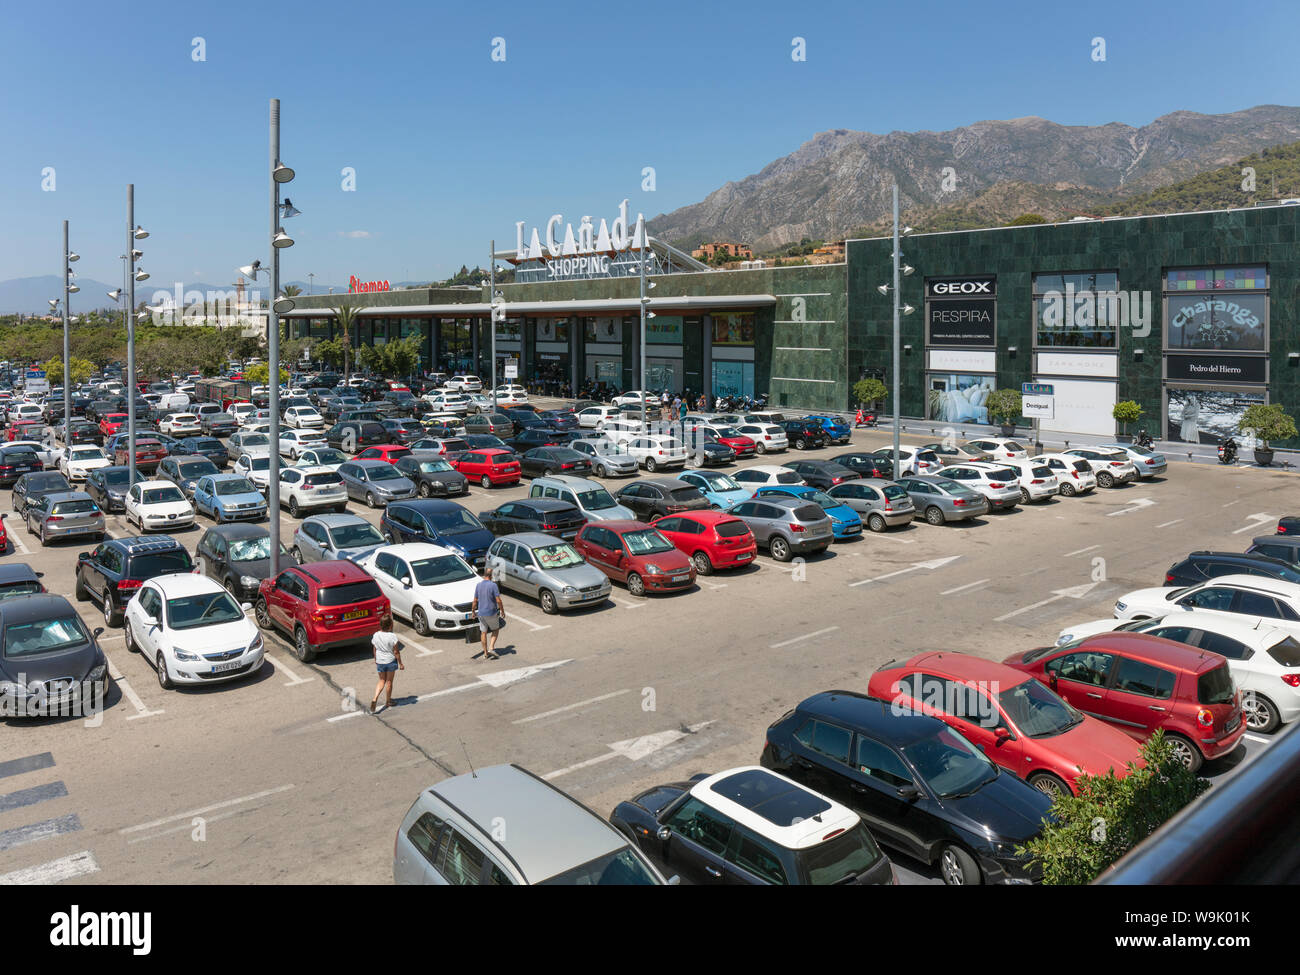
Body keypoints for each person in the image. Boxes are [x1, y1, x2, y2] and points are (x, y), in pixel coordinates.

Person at [369, 616, 404, 713]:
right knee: (389, 682)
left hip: (380, 661)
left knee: (381, 681)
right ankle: (388, 701)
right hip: (390, 661)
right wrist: (400, 663)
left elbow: (374, 648)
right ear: (390, 625)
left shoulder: (376, 635)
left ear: (380, 625)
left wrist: (376, 658)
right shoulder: (392, 636)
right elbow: (396, 652)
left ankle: (375, 698)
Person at [472, 566, 505, 660]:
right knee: (496, 629)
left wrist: (473, 611)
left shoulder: (478, 585)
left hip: (481, 613)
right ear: (491, 576)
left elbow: (475, 601)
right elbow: (498, 600)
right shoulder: (493, 585)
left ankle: (485, 653)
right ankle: (491, 648)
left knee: (483, 632)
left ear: (484, 574)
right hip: (491, 612)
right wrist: (502, 610)